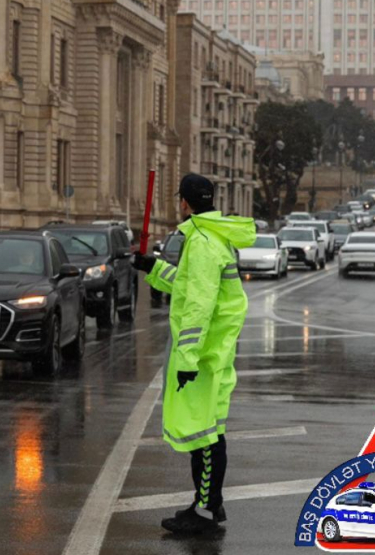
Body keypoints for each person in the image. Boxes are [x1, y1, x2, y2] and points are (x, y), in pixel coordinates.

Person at [134, 173, 255, 535]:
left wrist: (187, 360)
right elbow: (190, 287)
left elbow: (198, 306)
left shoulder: (202, 242)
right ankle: (210, 505)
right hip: (214, 351)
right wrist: (153, 268)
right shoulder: (213, 238)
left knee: (203, 436)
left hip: (203, 356)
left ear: (184, 203)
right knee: (210, 432)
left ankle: (203, 511)